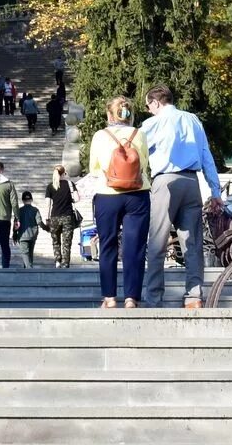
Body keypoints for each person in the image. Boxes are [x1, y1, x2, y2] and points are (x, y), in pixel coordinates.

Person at [138, 84, 222, 309]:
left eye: (148, 106)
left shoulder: (152, 123)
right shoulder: (193, 120)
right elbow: (206, 155)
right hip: (191, 182)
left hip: (165, 181)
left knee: (157, 241)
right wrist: (215, 191)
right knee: (192, 241)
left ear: (155, 102)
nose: (149, 110)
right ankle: (194, 296)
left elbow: (137, 153)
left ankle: (154, 298)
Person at [89, 95, 152, 309]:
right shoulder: (140, 134)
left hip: (107, 194)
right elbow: (144, 163)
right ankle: (131, 298)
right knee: (135, 247)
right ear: (130, 114)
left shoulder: (100, 135)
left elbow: (94, 168)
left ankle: (109, 297)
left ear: (109, 114)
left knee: (107, 245)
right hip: (138, 194)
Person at [44, 165, 80, 269]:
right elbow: (77, 199)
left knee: (55, 241)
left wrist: (47, 218)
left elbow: (48, 204)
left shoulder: (50, 186)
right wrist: (70, 200)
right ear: (64, 173)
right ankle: (65, 263)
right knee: (66, 242)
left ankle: (57, 261)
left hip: (54, 217)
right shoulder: (70, 184)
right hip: (67, 217)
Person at [13, 189, 43, 267]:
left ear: (22, 200)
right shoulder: (35, 210)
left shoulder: (19, 211)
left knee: (25, 253)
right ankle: (28, 268)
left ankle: (29, 270)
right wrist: (46, 228)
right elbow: (39, 222)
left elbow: (15, 225)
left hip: (22, 236)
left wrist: (14, 235)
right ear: (32, 199)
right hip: (33, 235)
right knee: (30, 253)